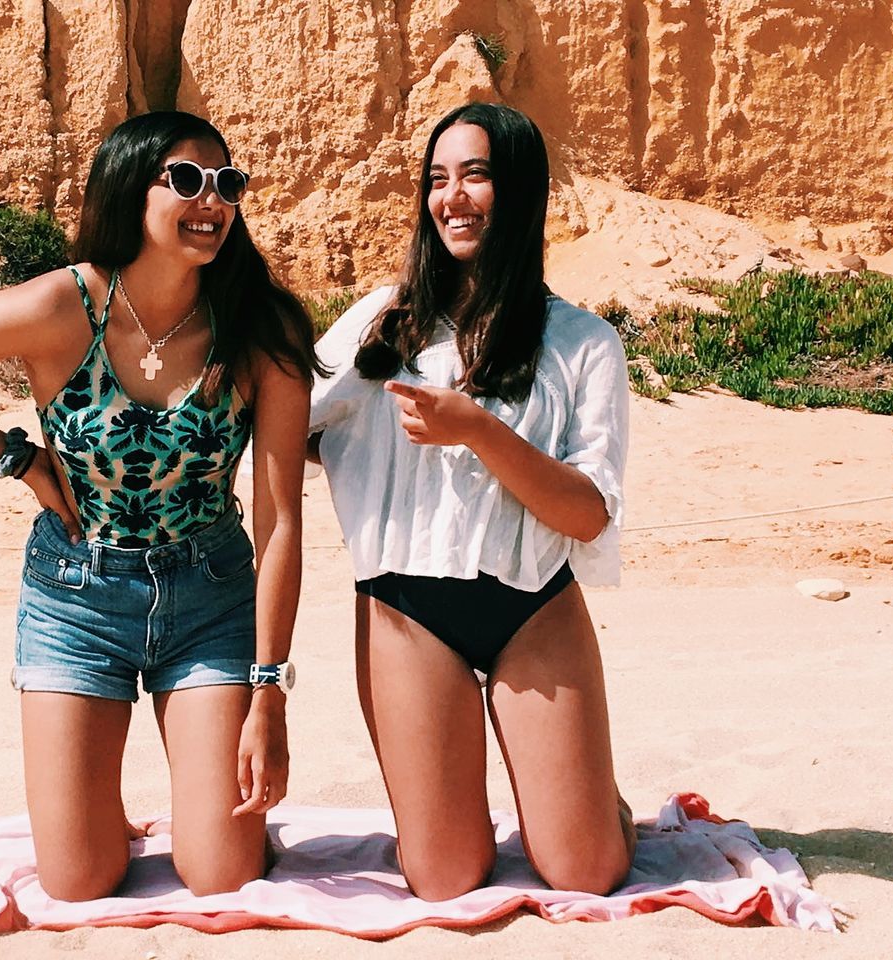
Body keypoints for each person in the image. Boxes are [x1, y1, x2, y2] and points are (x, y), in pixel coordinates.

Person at [0, 111, 318, 900]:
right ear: (127, 189)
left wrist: (267, 691)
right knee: (78, 880)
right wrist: (23, 462)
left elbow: (278, 522)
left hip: (210, 599)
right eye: (186, 180)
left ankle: (207, 813)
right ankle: (109, 813)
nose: (212, 200)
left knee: (221, 872)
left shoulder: (257, 326)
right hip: (75, 600)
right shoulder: (60, 306)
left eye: (227, 184)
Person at [308, 102, 636, 900]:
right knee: (446, 876)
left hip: (535, 607)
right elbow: (292, 425)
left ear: (519, 189)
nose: (452, 197)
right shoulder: (381, 322)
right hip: (406, 610)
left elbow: (588, 513)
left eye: (477, 175)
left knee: (587, 870)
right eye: (438, 179)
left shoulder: (584, 341)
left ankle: (599, 806)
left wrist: (479, 431)